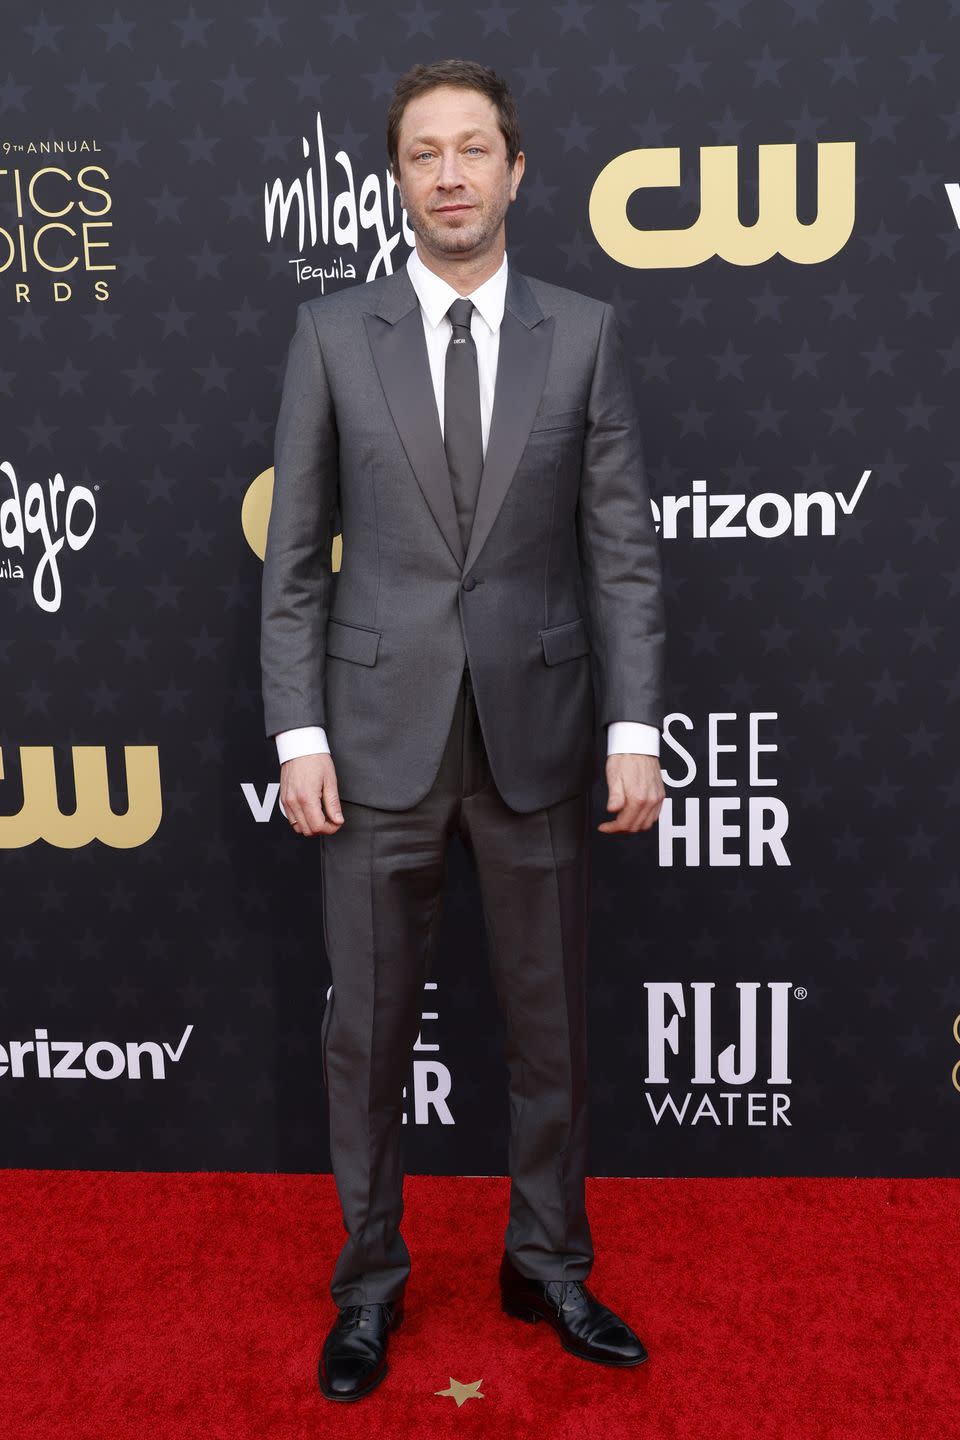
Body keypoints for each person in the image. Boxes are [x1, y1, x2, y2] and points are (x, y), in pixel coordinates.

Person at [260, 58, 665, 1403]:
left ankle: (547, 1262)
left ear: (515, 170)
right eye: (424, 153)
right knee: (367, 1036)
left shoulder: (587, 333)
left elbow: (621, 557)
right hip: (370, 744)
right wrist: (297, 734)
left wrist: (635, 726)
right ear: (399, 179)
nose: (449, 173)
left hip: (542, 736)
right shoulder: (331, 334)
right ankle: (369, 1286)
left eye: (472, 149)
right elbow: (295, 567)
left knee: (549, 1029)